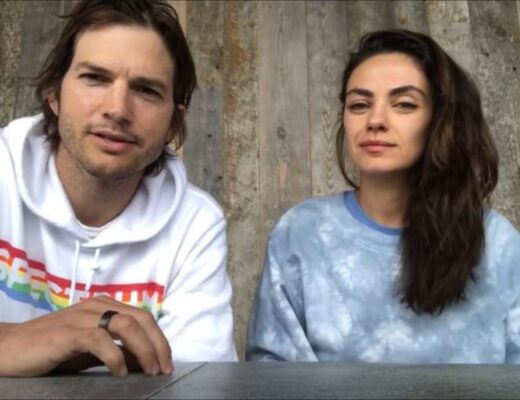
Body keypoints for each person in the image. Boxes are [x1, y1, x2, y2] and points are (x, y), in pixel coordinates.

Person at [246, 29, 520, 363]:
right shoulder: (301, 233)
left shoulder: (499, 243)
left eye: (404, 104)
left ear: (440, 119)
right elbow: (271, 375)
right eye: (359, 105)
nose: (375, 120)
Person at [0, 0, 237, 377]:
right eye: (95, 78)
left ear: (174, 124)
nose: (118, 109)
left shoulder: (195, 225)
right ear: (54, 94)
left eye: (146, 90)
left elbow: (199, 383)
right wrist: (13, 342)